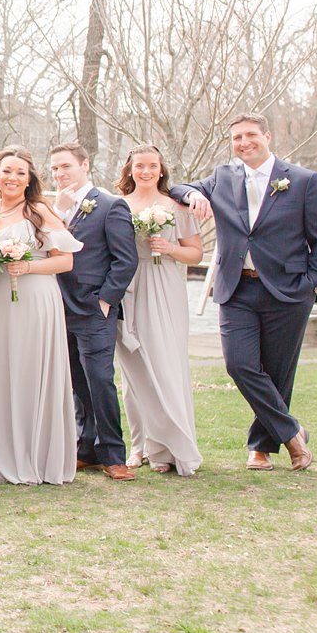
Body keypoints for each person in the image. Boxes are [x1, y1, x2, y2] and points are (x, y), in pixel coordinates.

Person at [170, 113, 317, 471]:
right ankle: (293, 433)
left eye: (250, 135)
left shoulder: (303, 181)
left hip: (289, 291)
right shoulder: (222, 177)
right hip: (236, 287)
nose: (244, 142)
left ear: (267, 137)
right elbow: (178, 187)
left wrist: (312, 285)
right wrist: (195, 194)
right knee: (239, 364)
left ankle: (260, 447)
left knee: (277, 372)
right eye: (236, 138)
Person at [0, 146, 82, 486]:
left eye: (20, 172)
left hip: (35, 298)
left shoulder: (38, 210)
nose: (13, 178)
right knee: (2, 370)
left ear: (29, 178)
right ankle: (6, 456)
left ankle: (37, 456)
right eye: (7, 171)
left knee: (31, 369)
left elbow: (65, 260)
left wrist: (28, 265)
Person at [50, 142, 140, 481]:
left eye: (66, 167)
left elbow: (125, 259)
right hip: (57, 308)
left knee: (100, 379)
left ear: (85, 165)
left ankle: (114, 454)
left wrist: (105, 300)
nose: (60, 174)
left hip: (92, 309)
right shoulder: (53, 209)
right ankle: (85, 448)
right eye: (55, 168)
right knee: (75, 382)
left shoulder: (110, 206)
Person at [116, 145, 203, 476]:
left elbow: (196, 254)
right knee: (134, 367)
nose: (146, 171)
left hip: (166, 286)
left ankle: (171, 447)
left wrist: (169, 248)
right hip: (131, 285)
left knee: (167, 365)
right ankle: (141, 445)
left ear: (162, 169)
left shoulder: (177, 207)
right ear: (130, 170)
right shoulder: (120, 207)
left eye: (152, 165)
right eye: (139, 165)